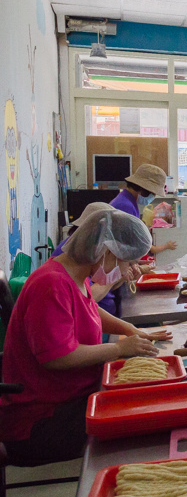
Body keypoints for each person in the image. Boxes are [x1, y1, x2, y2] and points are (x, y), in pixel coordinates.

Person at [0, 208, 172, 464]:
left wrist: (129, 330)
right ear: (106, 252)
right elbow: (58, 357)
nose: (126, 270)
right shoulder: (51, 284)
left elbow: (89, 309)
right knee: (145, 423)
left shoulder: (73, 276)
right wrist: (119, 350)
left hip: (71, 399)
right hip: (41, 420)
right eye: (125, 262)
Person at [52, 202, 147, 315]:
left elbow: (87, 304)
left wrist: (120, 276)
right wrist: (114, 278)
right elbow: (86, 300)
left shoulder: (85, 264)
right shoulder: (68, 265)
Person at [111, 163, 177, 255]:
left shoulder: (127, 201)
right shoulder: (125, 206)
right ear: (144, 190)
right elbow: (123, 245)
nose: (153, 196)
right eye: (153, 193)